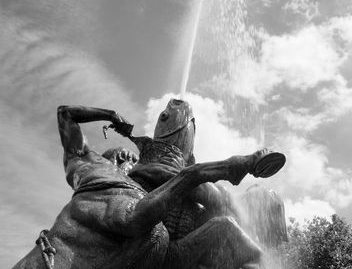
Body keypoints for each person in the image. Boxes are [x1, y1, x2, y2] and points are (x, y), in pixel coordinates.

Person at [12, 104, 285, 269]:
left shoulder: (103, 173)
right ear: (115, 160)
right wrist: (220, 169)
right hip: (125, 250)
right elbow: (133, 218)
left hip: (155, 254)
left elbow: (65, 113)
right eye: (124, 156)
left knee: (226, 230)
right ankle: (234, 170)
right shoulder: (95, 176)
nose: (129, 156)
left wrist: (111, 115)